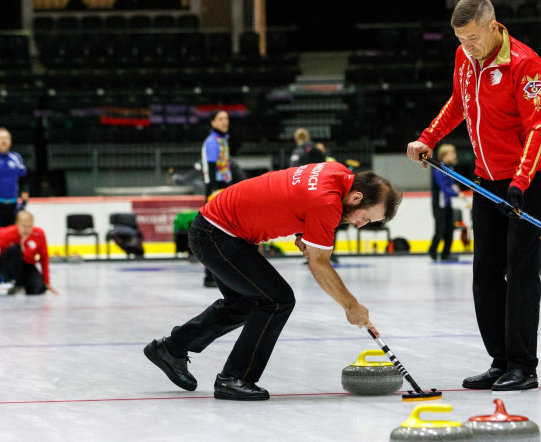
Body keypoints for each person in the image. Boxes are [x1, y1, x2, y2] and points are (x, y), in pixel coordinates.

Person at [144, 162, 402, 400]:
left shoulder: (336, 172)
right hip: (217, 235)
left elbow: (295, 190)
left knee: (244, 303)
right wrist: (351, 306)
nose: (359, 225)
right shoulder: (327, 203)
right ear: (356, 198)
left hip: (214, 227)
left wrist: (304, 230)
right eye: (365, 218)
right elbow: (319, 264)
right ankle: (235, 378)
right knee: (277, 300)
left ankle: (171, 349)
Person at [406, 0, 541, 391]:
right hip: (486, 179)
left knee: (522, 270)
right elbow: (459, 103)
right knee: (485, 273)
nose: (466, 46)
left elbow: (539, 129)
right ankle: (501, 360)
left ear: (493, 26)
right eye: (460, 39)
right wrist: (428, 138)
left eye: (472, 38)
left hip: (529, 177)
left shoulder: (525, 64)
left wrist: (520, 183)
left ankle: (523, 366)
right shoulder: (464, 58)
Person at [200, 110, 243, 287]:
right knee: (212, 235)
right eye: (220, 119)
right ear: (212, 122)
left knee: (224, 234)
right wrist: (213, 192)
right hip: (215, 189)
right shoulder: (212, 141)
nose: (225, 122)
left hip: (223, 188)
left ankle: (220, 275)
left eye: (226, 119)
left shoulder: (222, 140)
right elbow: (211, 168)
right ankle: (209, 276)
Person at [0, 210, 58, 295]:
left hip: (28, 266)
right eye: (24, 226)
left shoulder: (39, 234)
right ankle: (12, 282)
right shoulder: (6, 233)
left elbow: (44, 258)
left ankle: (21, 285)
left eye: (29, 226)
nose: (27, 230)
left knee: (39, 289)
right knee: (15, 249)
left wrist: (47, 282)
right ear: (17, 224)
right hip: (9, 264)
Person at [428, 143, 461, 262]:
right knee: (440, 229)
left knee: (449, 229)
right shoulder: (438, 170)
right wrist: (457, 193)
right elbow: (444, 188)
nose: (454, 156)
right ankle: (432, 251)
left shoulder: (450, 169)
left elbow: (451, 185)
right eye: (452, 153)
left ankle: (446, 253)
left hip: (447, 204)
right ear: (444, 155)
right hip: (439, 205)